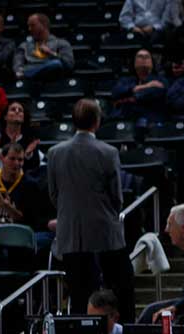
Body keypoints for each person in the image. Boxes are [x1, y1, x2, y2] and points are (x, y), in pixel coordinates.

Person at [47, 100, 130, 320]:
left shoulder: (54, 153)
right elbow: (117, 198)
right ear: (97, 121)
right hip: (105, 235)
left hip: (70, 237)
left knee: (78, 296)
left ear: (73, 122)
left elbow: (54, 195)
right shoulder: (109, 152)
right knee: (117, 292)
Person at [0, 143, 52, 238]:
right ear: (2, 158)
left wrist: (7, 207)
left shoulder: (30, 185)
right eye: (12, 159)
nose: (17, 163)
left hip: (19, 236)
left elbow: (29, 223)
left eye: (20, 160)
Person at [110, 49, 170, 127]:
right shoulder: (125, 80)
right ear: (134, 62)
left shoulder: (160, 80)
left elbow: (153, 94)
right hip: (126, 118)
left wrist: (128, 98)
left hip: (152, 120)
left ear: (152, 63)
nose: (144, 58)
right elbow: (116, 92)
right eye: (140, 56)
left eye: (147, 57)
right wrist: (146, 86)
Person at [13, 13, 74, 83]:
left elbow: (69, 65)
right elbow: (17, 66)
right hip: (30, 77)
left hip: (53, 75)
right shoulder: (24, 46)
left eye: (33, 25)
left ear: (44, 25)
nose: (29, 29)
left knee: (56, 63)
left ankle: (32, 75)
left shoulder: (62, 43)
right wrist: (19, 72)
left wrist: (51, 53)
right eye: (28, 26)